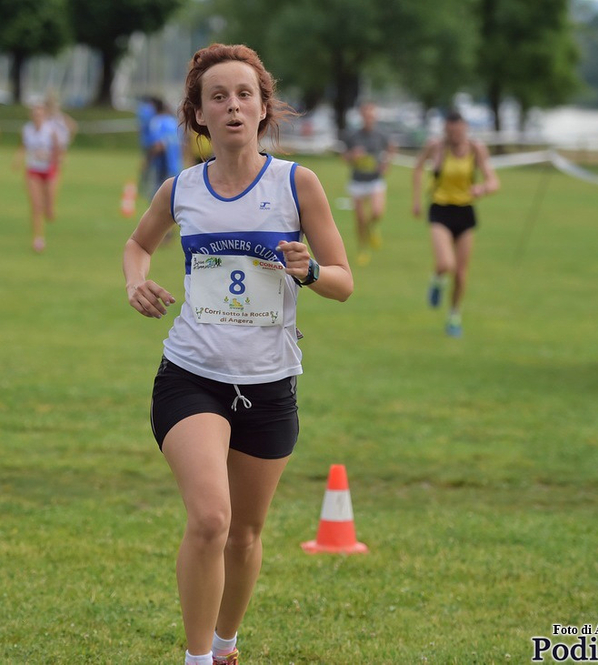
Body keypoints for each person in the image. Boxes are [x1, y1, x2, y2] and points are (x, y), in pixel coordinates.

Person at [122, 43, 353, 665]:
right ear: (197, 114)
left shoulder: (297, 183)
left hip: (270, 383)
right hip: (191, 375)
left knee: (246, 533)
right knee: (210, 519)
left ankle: (225, 647)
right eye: (217, 97)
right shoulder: (181, 189)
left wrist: (308, 272)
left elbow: (343, 281)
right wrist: (135, 280)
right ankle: (197, 659)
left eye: (244, 95)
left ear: (263, 107)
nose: (232, 107)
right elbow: (138, 244)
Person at [411, 109, 500, 337]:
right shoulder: (436, 147)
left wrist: (482, 188)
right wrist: (417, 199)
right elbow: (418, 167)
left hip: (465, 212)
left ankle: (454, 316)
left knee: (461, 273)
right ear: (445, 130)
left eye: (458, 131)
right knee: (445, 264)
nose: (455, 136)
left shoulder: (476, 149)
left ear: (465, 128)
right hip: (440, 210)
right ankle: (437, 280)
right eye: (450, 131)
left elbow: (493, 181)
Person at [341, 101, 396, 266]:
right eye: (366, 116)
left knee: (377, 212)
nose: (369, 119)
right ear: (361, 117)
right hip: (357, 181)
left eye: (372, 116)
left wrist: (386, 163)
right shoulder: (353, 136)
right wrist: (353, 156)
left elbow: (392, 148)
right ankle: (362, 249)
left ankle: (373, 229)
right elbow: (344, 157)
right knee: (360, 219)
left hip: (375, 179)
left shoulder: (381, 135)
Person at [14, 102, 61, 253]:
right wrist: (17, 159)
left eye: (40, 114)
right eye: (35, 114)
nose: (37, 117)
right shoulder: (27, 130)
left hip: (50, 171)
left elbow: (58, 151)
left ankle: (49, 208)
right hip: (33, 170)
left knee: (49, 212)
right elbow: (23, 147)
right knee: (36, 206)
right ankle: (38, 238)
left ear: (45, 115)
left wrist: (53, 160)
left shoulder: (51, 131)